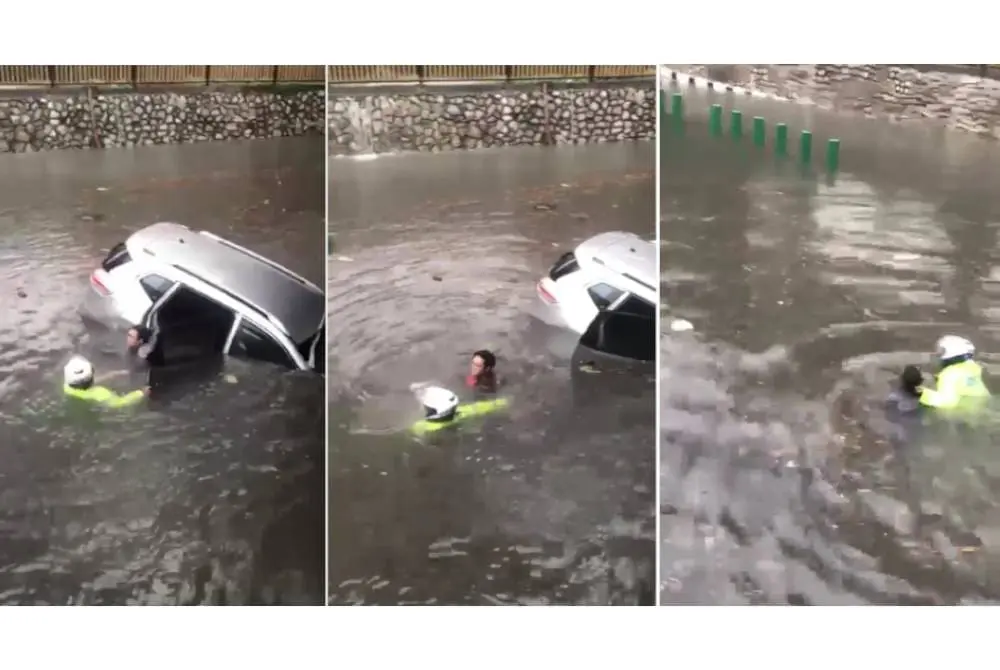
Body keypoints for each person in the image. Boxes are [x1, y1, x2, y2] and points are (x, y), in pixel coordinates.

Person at [916, 335, 990, 410]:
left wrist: (921, 393)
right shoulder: (973, 368)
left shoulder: (949, 374)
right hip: (984, 407)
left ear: (952, 352)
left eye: (941, 351)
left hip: (966, 414)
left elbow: (947, 402)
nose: (937, 355)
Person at [62, 355, 148, 408]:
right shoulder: (100, 394)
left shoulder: (67, 387)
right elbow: (120, 402)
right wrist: (141, 393)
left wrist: (109, 376)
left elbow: (83, 384)